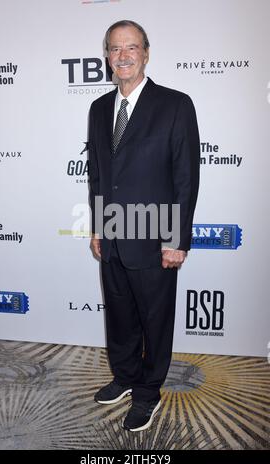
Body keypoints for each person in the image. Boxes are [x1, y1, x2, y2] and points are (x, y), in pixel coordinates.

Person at [88, 20, 200, 432]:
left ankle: (148, 392)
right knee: (119, 315)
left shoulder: (175, 105)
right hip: (113, 236)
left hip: (155, 239)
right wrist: (99, 226)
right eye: (115, 49)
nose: (122, 56)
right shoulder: (99, 108)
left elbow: (186, 178)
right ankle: (124, 376)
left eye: (131, 48)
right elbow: (98, 174)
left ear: (146, 53)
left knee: (154, 320)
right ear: (107, 56)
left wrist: (176, 240)